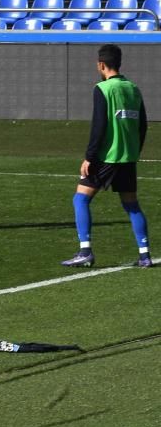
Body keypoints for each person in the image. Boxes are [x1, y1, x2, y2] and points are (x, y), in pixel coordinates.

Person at [61, 44, 150, 268]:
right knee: (132, 206)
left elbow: (99, 126)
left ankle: (85, 251)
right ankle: (145, 255)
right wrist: (134, 151)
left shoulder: (102, 89)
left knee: (80, 198)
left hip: (106, 157)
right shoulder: (133, 88)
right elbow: (143, 125)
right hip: (127, 158)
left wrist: (89, 157)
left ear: (101, 64)